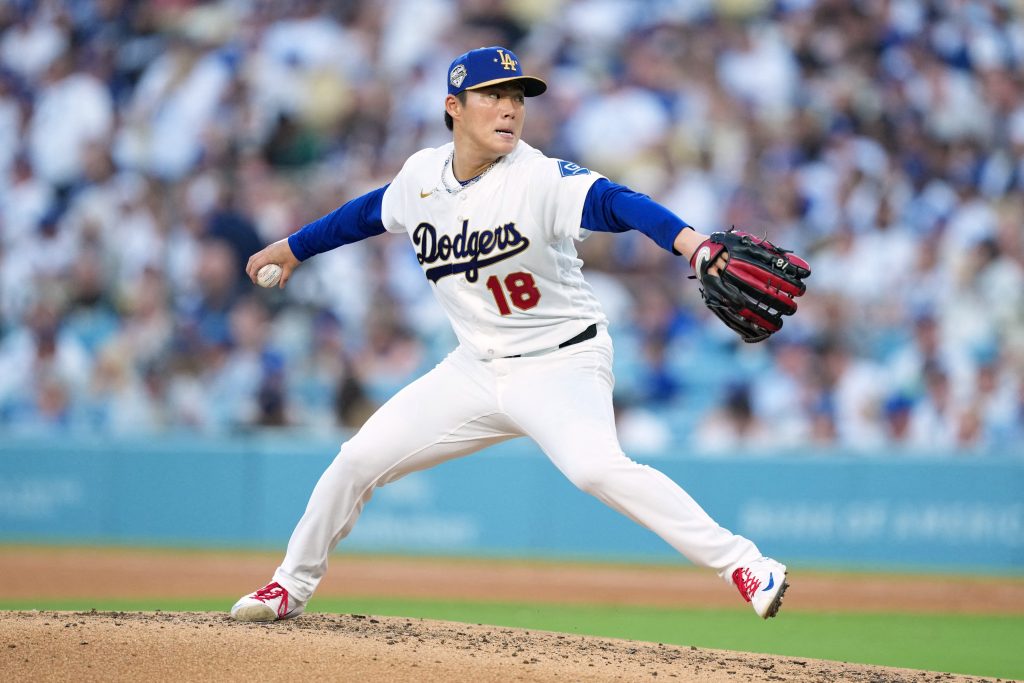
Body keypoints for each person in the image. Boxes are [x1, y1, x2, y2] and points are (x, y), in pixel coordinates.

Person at [231, 46, 790, 623]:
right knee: (355, 459)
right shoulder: (420, 176)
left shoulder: (538, 177)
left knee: (595, 469)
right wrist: (294, 247)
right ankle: (287, 587)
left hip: (561, 363)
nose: (510, 109)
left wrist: (693, 245)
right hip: (474, 367)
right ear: (454, 106)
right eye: (493, 95)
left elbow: (618, 203)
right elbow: (368, 212)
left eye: (517, 98)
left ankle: (745, 564)